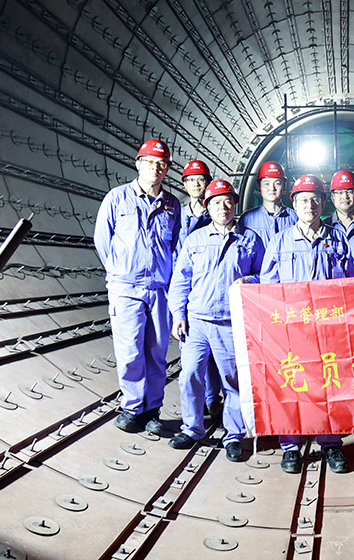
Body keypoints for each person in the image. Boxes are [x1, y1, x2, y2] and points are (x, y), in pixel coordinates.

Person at [259, 174, 354, 474]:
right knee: (291, 387)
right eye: (302, 200)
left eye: (315, 199)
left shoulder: (337, 239)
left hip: (328, 328)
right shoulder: (280, 241)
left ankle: (331, 443)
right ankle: (291, 446)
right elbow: (268, 286)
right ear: (294, 204)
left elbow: (350, 282)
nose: (309, 205)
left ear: (324, 203)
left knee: (329, 385)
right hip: (293, 330)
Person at [167, 180, 264, 461]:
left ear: (235, 204)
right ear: (207, 207)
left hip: (231, 322)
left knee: (233, 381)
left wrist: (250, 280)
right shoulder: (195, 240)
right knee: (190, 375)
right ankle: (192, 429)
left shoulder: (250, 239)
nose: (223, 207)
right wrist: (178, 315)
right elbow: (181, 281)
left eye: (228, 201)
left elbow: (266, 275)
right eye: (217, 202)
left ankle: (233, 435)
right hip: (197, 321)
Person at [94, 139, 181, 434]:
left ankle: (152, 410)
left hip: (159, 287)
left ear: (166, 169)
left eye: (161, 164)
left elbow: (176, 247)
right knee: (130, 350)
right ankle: (132, 407)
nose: (155, 168)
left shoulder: (172, 204)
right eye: (150, 162)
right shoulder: (117, 198)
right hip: (126, 287)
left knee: (156, 351)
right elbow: (102, 240)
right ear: (138, 163)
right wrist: (119, 272)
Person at [179, 159, 222, 423]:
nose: (196, 184)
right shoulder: (176, 212)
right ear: (184, 184)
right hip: (185, 288)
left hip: (209, 291)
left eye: (201, 179)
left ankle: (212, 399)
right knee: (192, 353)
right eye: (191, 180)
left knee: (215, 353)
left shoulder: (218, 209)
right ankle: (196, 411)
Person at [237, 161, 297, 245]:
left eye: (278, 183)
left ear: (284, 186)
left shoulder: (294, 217)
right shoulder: (247, 219)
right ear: (258, 186)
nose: (272, 188)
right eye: (267, 184)